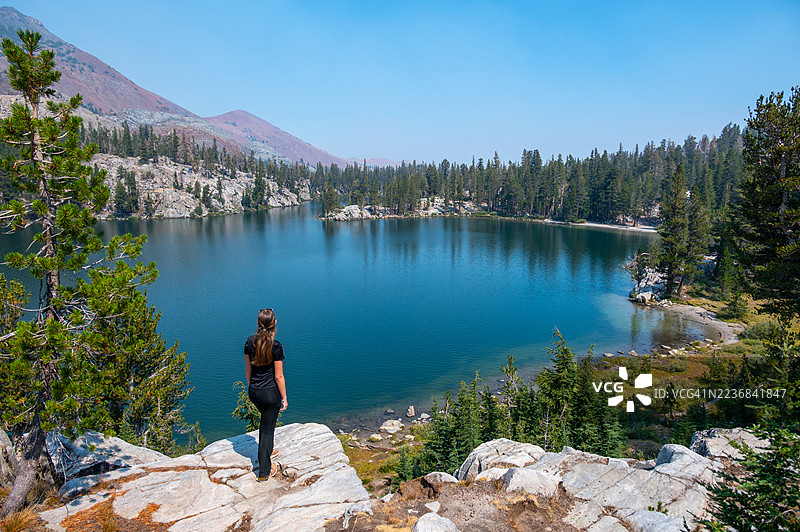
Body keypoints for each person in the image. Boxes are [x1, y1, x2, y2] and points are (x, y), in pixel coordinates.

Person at [244, 308, 288, 480]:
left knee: (265, 423)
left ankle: (267, 450)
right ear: (275, 323)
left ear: (258, 323)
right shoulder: (275, 346)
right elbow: (278, 376)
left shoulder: (249, 342)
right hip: (270, 395)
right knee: (267, 431)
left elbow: (248, 371)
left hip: (254, 392)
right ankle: (264, 471)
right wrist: (283, 398)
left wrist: (253, 389)